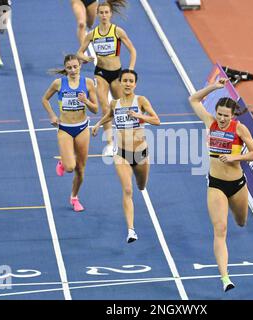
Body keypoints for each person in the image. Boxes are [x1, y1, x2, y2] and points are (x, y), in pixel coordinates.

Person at [189, 78, 253, 292]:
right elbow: (193, 99)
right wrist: (214, 88)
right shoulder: (209, 122)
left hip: (237, 184)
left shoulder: (240, 129)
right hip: (216, 184)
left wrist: (236, 159)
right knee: (220, 229)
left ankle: (238, 214)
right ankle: (225, 278)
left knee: (240, 221)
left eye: (225, 116)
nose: (221, 118)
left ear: (232, 116)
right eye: (219, 114)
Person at [92, 69, 160, 243]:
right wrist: (98, 125)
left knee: (141, 185)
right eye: (125, 81)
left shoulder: (141, 100)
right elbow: (108, 115)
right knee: (128, 189)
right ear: (120, 83)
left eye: (131, 81)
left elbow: (156, 120)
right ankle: (131, 230)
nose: (128, 84)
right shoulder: (115, 103)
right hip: (121, 153)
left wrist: (139, 115)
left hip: (141, 153)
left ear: (135, 84)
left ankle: (141, 184)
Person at [78, 0, 137, 157]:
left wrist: (130, 69)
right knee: (105, 107)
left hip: (117, 73)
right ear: (97, 14)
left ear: (111, 14)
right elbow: (79, 52)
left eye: (106, 12)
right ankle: (110, 144)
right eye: (101, 12)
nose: (104, 15)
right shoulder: (92, 34)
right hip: (101, 73)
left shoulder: (118, 31)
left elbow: (132, 50)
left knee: (122, 108)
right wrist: (85, 57)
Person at [42, 54, 98, 212]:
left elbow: (95, 109)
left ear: (80, 66)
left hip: (82, 128)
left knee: (80, 169)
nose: (73, 70)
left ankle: (74, 197)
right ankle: (63, 162)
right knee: (69, 168)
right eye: (69, 68)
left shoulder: (87, 83)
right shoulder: (58, 83)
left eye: (75, 67)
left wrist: (86, 101)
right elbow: (44, 99)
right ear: (65, 69)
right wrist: (52, 115)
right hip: (65, 128)